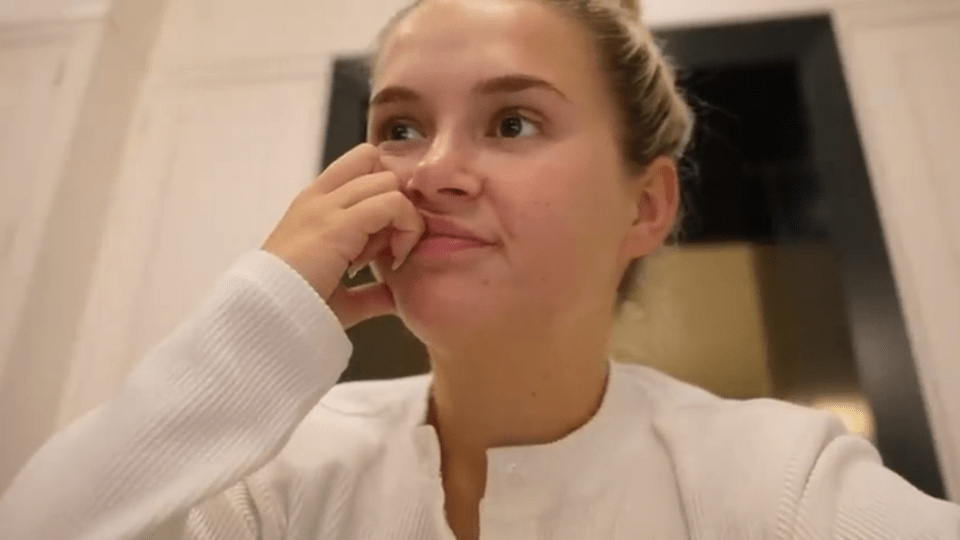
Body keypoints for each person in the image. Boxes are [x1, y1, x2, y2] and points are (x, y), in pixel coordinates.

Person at [1, 0, 958, 538]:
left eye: (512, 122)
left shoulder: (778, 481)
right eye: (400, 127)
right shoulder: (278, 471)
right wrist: (263, 314)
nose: (432, 171)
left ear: (646, 204)